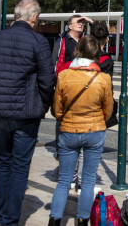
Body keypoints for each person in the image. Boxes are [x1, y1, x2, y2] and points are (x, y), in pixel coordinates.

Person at [0, 0, 54, 226]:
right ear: (34, 18)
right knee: (19, 167)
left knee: (4, 163)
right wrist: (44, 105)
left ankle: (0, 216)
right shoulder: (38, 41)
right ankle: (9, 220)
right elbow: (47, 80)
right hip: (25, 113)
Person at [48, 36, 114, 226]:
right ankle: (83, 220)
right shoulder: (103, 78)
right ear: (96, 54)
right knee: (88, 181)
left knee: (63, 181)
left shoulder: (64, 75)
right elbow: (108, 110)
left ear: (77, 51)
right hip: (95, 130)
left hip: (69, 129)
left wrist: (66, 118)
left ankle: (54, 219)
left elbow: (58, 109)